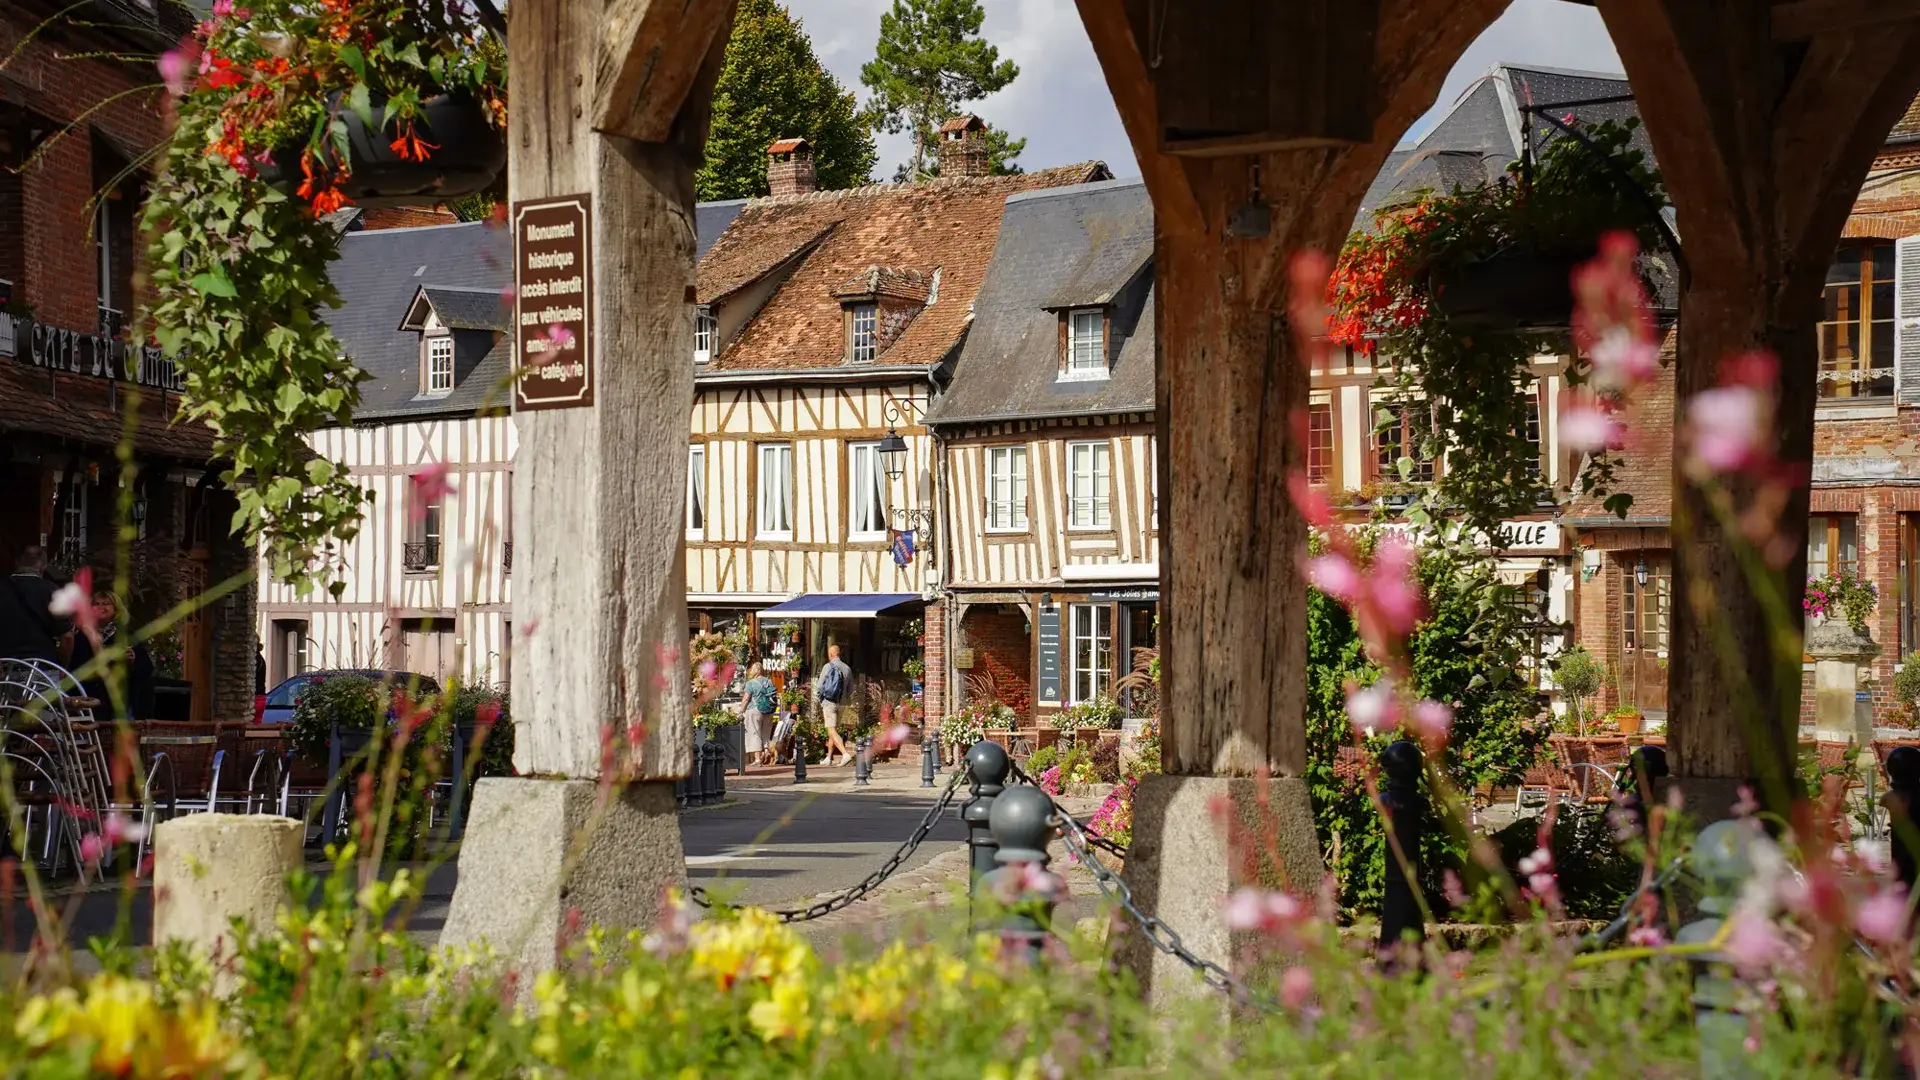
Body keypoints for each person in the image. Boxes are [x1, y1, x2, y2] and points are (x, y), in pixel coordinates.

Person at [67, 588, 154, 720]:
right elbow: (75, 665)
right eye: (96, 604)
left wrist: (132, 660)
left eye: (106, 603)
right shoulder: (82, 636)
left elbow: (146, 668)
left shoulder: (126, 635)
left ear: (116, 609)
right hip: (88, 699)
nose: (100, 607)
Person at [0, 547, 69, 668]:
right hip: (41, 667)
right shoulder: (51, 590)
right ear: (44, 566)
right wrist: (63, 666)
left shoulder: (3, 588)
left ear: (16, 563)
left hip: (5, 666)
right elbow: (67, 637)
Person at [816, 643, 854, 766]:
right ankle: (829, 757)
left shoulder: (827, 667)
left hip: (829, 702)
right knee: (834, 729)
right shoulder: (847, 668)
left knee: (831, 730)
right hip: (841, 704)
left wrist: (821, 700)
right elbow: (850, 689)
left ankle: (845, 754)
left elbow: (819, 686)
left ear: (831, 654)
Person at [741, 663, 778, 767]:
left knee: (754, 733)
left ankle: (758, 759)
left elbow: (746, 698)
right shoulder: (769, 681)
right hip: (768, 710)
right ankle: (766, 753)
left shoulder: (751, 683)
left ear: (753, 671)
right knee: (766, 734)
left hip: (755, 710)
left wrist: (741, 711)